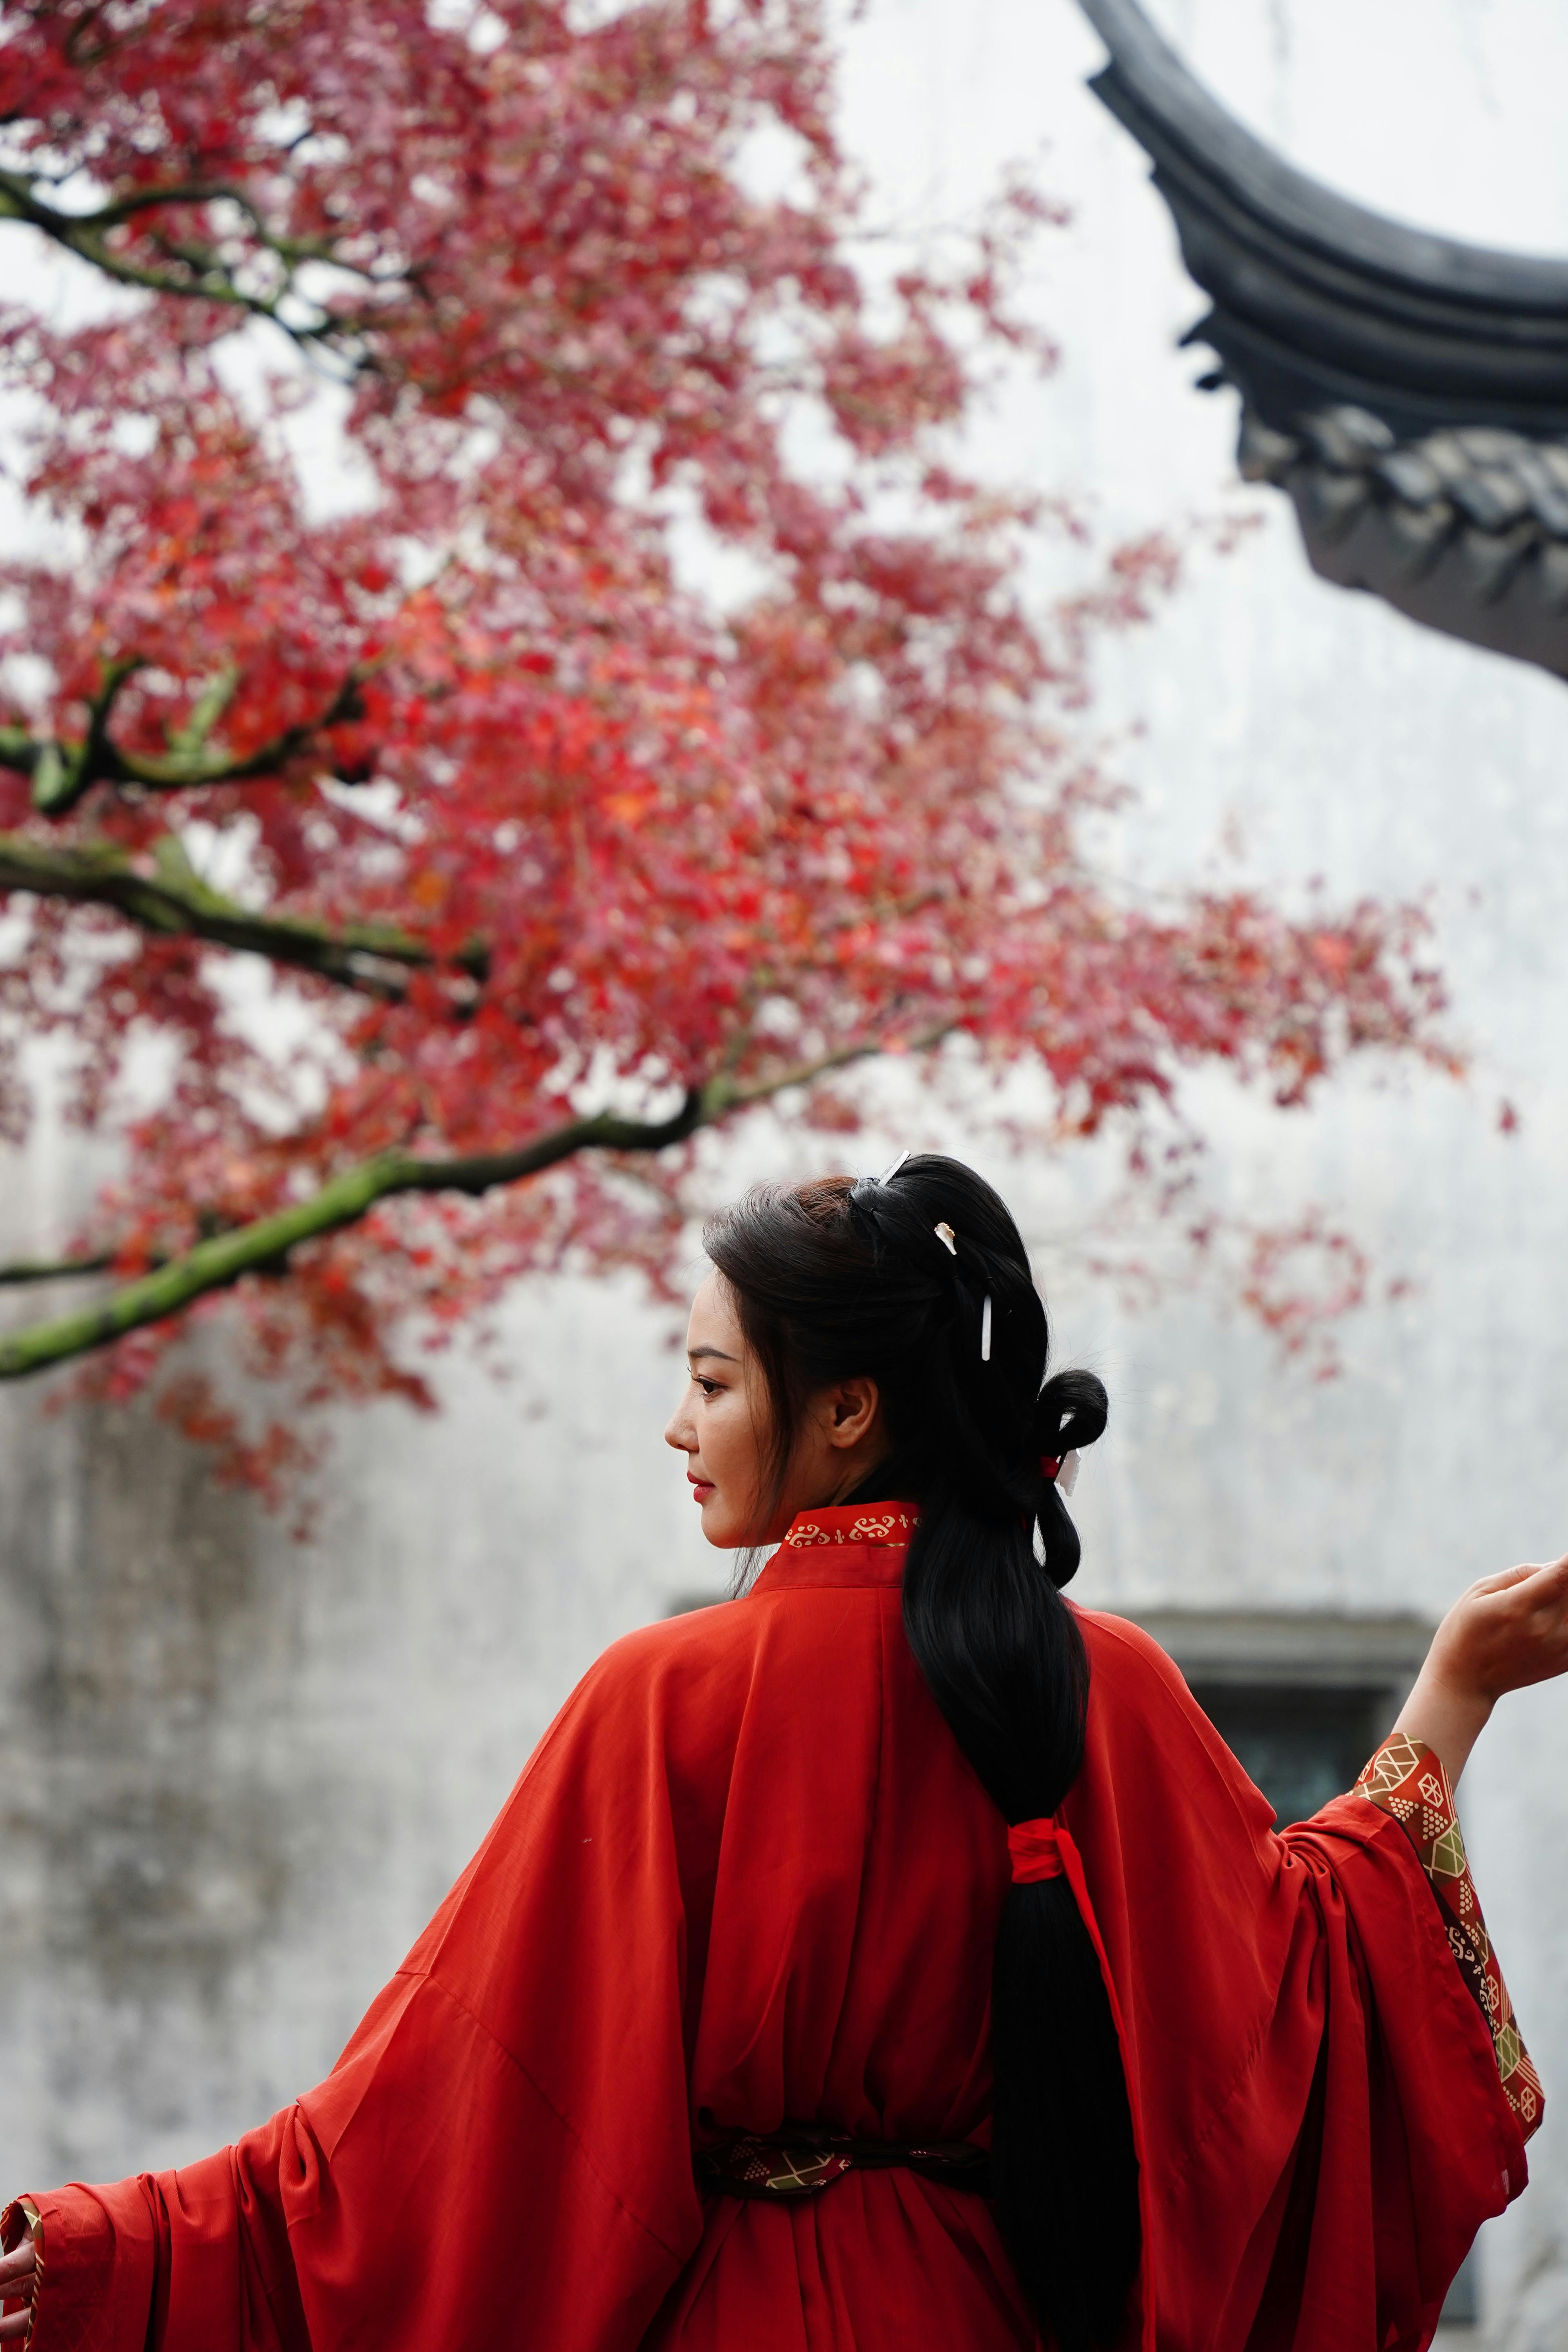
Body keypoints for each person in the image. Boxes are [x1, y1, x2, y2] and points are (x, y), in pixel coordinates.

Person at [0, 1154, 1562, 2352]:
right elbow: (1291, 1997)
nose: (677, 1429)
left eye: (710, 1381)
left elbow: (427, 2133)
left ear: (846, 1413)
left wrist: (110, 2253)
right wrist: (1450, 1696)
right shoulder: (1101, 1684)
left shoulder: (662, 1700)